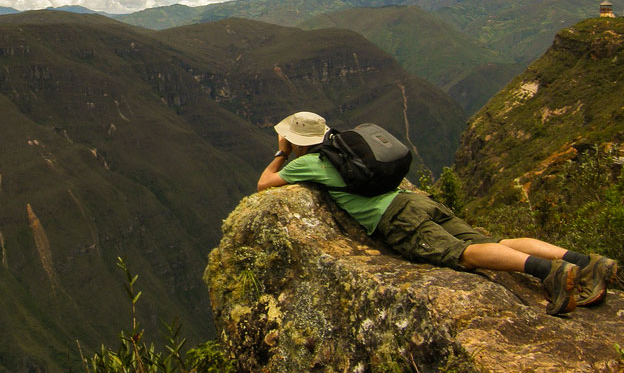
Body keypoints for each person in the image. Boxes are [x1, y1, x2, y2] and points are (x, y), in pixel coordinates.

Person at [257, 111, 618, 315]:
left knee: (464, 256)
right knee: (493, 241)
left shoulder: (309, 165)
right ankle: (588, 263)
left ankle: (551, 273)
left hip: (397, 219)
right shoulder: (347, 147)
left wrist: (282, 153)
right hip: (419, 202)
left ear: (297, 140)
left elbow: (264, 184)